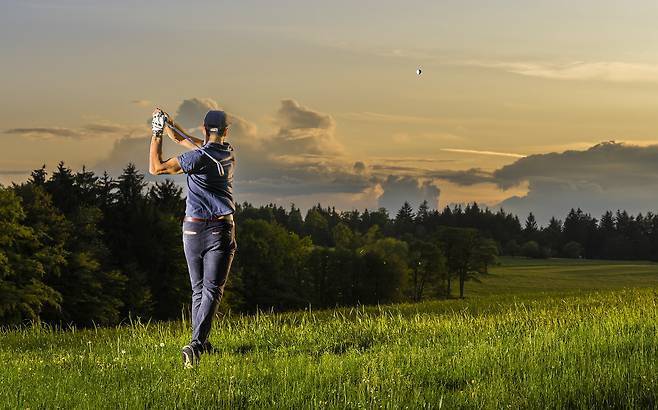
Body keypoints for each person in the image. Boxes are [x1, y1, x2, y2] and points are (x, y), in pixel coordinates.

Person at [148, 107, 237, 368]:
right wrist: (169, 124)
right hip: (219, 229)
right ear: (226, 131)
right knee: (212, 290)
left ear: (203, 127)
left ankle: (201, 342)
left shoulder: (196, 158)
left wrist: (157, 131)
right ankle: (196, 345)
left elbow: (156, 168)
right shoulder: (228, 152)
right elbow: (183, 139)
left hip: (192, 230)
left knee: (199, 290)